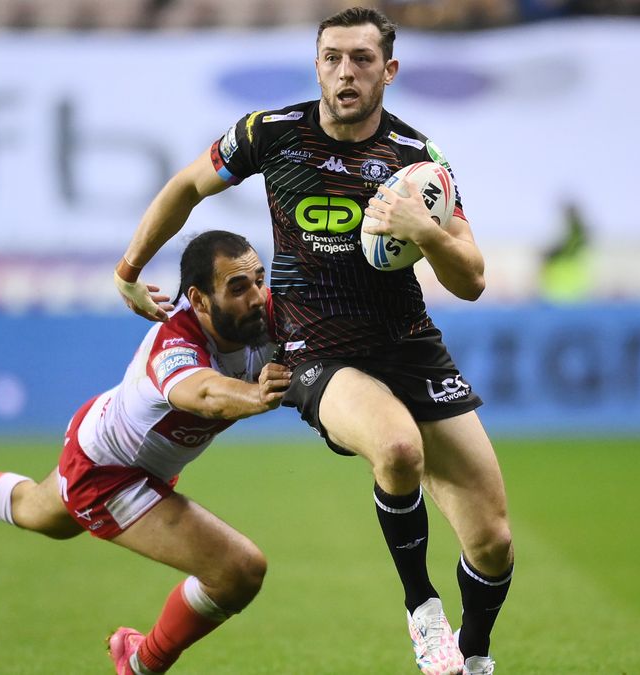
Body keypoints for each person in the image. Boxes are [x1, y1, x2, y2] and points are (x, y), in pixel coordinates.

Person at [112, 7, 514, 675]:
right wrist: (129, 269)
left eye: (360, 58)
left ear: (389, 69)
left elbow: (470, 279)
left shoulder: (418, 161)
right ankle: (423, 609)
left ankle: (472, 656)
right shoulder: (269, 135)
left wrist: (427, 228)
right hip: (316, 350)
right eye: (332, 57)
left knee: (493, 539)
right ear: (317, 64)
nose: (345, 71)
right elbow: (186, 185)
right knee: (395, 446)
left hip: (409, 344)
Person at [0, 230, 290, 675]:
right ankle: (141, 662)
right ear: (199, 300)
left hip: (106, 435)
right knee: (238, 569)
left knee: (35, 511)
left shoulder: (268, 315)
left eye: (259, 279)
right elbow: (202, 394)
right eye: (238, 288)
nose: (257, 296)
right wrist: (257, 396)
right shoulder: (175, 342)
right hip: (109, 471)